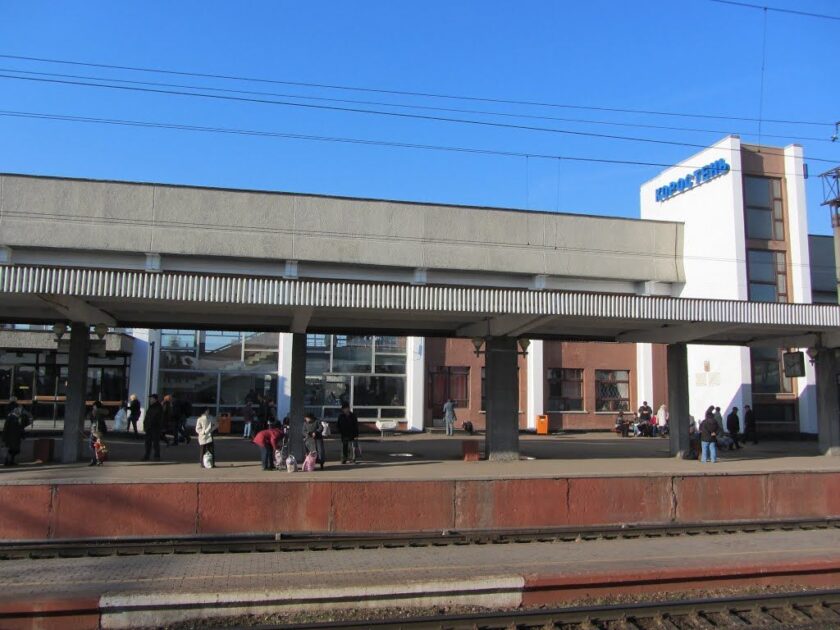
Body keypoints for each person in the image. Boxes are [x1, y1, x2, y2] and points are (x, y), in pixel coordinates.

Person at [142, 394, 163, 461]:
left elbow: (157, 418)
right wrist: (145, 424)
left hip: (155, 427)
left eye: (151, 398)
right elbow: (147, 416)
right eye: (150, 399)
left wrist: (152, 423)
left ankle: (157, 456)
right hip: (149, 427)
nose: (150, 400)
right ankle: (146, 456)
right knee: (147, 443)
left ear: (155, 399)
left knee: (155, 443)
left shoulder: (158, 407)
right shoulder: (151, 406)